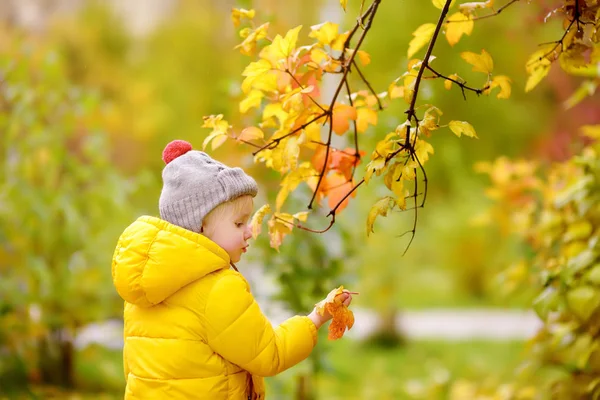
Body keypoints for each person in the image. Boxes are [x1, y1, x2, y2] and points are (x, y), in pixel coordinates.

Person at [111, 139, 353, 399]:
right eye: (239, 223)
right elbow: (269, 354)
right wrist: (317, 316)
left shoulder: (146, 283)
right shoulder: (218, 288)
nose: (250, 232)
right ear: (201, 225)